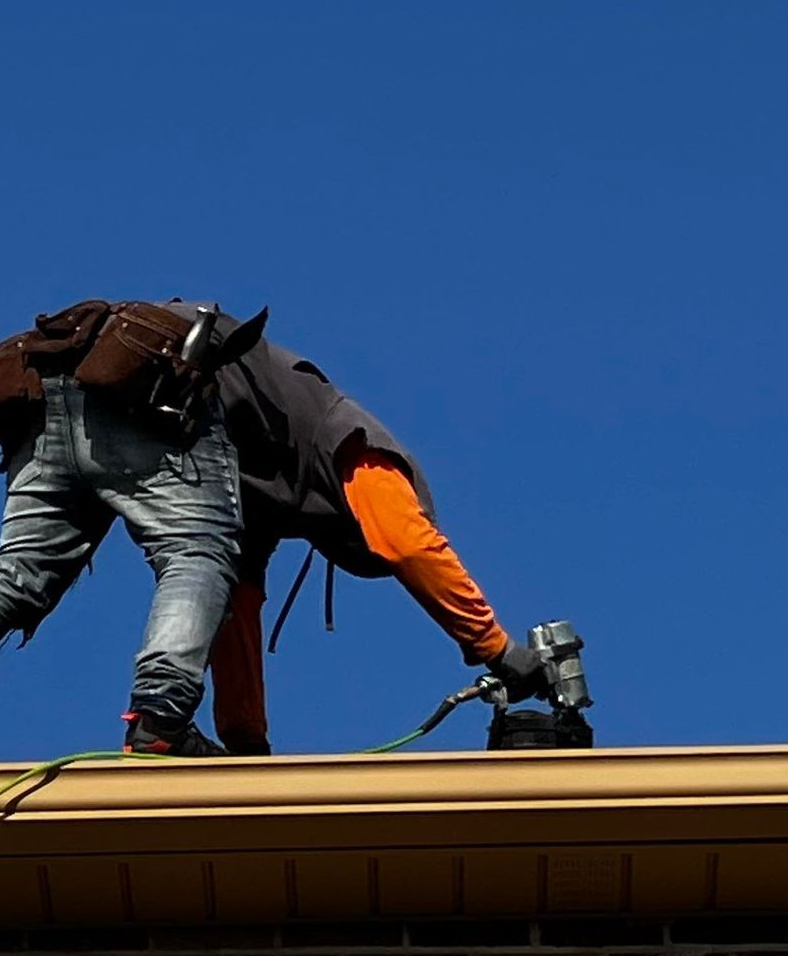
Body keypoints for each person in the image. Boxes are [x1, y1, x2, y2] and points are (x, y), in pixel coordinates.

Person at [0, 300, 250, 765]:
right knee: (195, 552)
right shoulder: (269, 375)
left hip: (46, 402)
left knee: (16, 571)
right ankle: (161, 717)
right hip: (143, 394)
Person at [201, 309, 543, 753]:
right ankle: (157, 725)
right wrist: (498, 648)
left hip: (157, 400)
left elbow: (235, 602)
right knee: (195, 565)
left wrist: (244, 736)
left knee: (205, 571)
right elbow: (409, 547)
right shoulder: (358, 449)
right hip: (177, 365)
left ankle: (156, 728)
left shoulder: (267, 477)